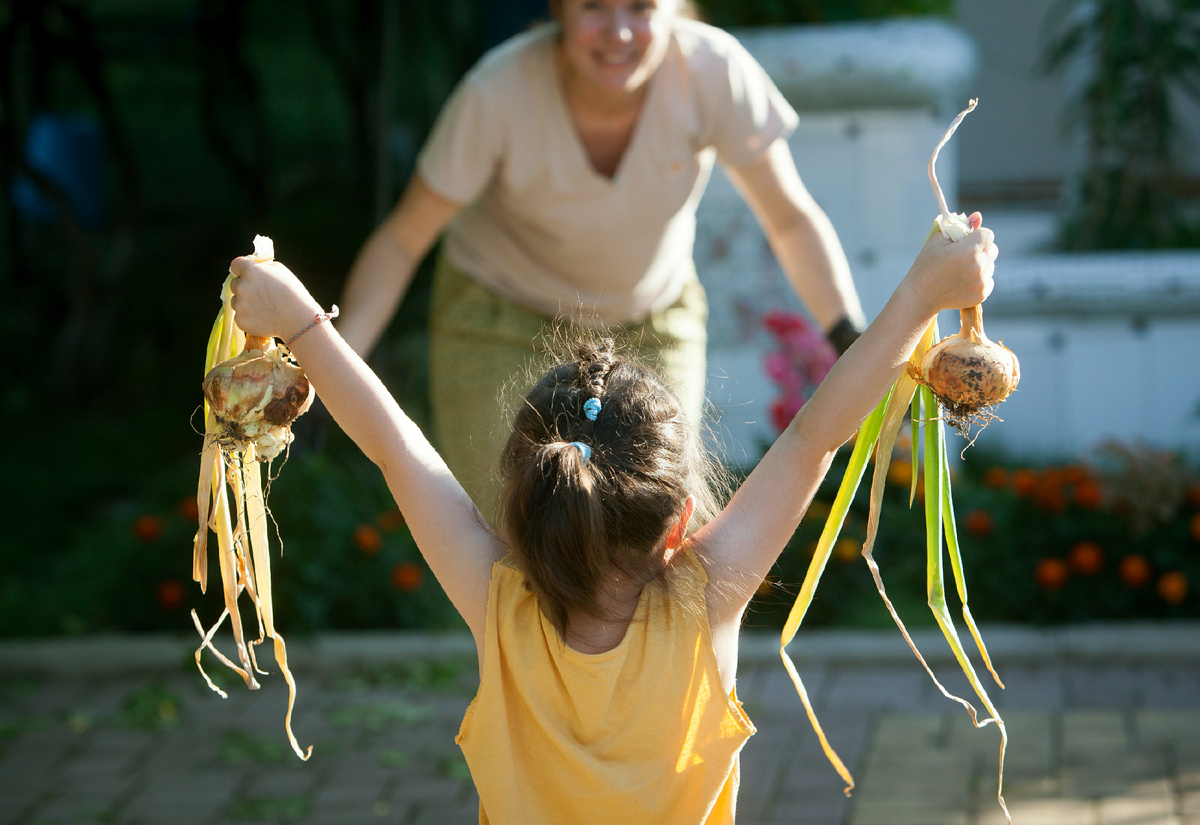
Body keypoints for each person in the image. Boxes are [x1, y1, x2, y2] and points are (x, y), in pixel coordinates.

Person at [227, 212, 998, 824]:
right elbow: (813, 439)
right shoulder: (706, 598)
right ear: (678, 523)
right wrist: (924, 293)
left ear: (522, 503)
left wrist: (296, 313)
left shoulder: (498, 603)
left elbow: (395, 445)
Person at [334, 0, 867, 515]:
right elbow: (403, 240)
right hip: (501, 322)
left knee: (663, 537)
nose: (619, 32)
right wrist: (328, 366)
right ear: (559, 9)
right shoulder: (498, 92)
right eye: (593, 5)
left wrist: (849, 336)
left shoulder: (712, 71)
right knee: (505, 554)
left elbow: (790, 220)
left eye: (640, 6)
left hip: (651, 321)